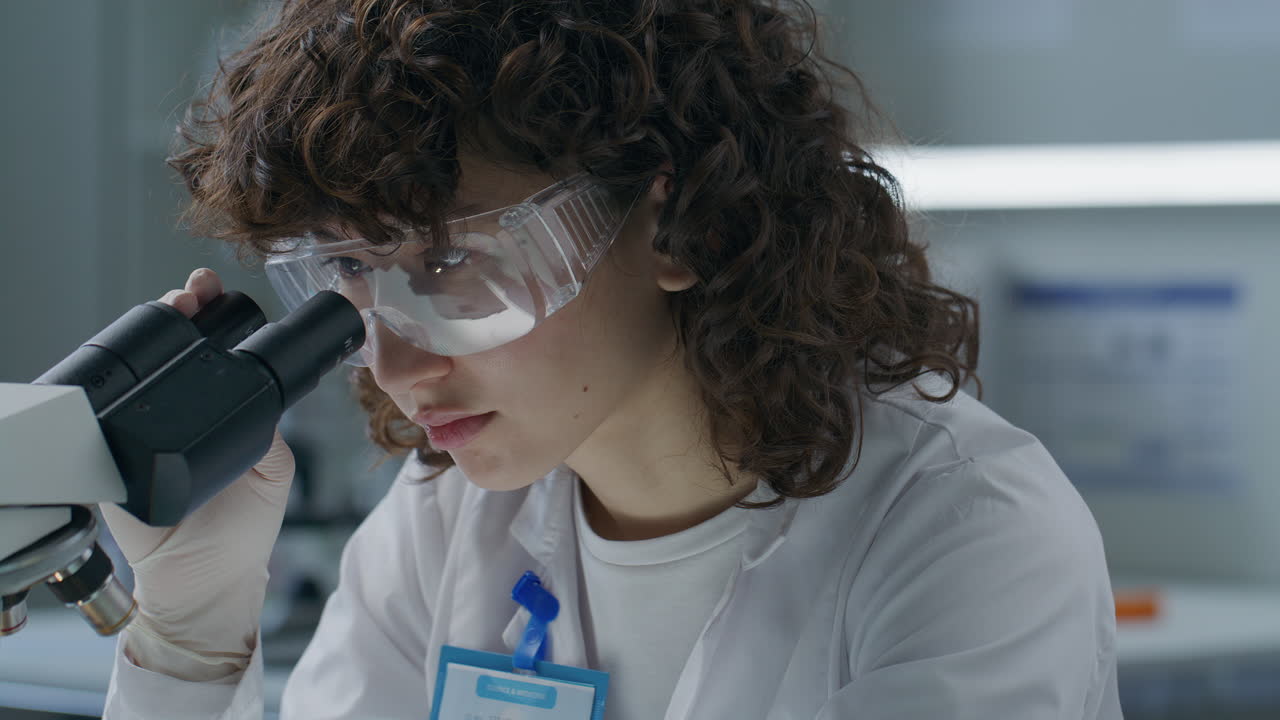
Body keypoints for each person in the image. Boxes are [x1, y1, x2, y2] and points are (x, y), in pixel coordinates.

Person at [100, 0, 1123, 718]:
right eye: (351, 281)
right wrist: (192, 636)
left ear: (675, 228)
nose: (396, 367)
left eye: (453, 262)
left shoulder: (963, 527)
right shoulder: (448, 523)